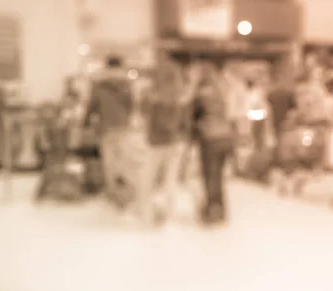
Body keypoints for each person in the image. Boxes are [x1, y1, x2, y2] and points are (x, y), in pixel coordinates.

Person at [140, 58, 190, 224]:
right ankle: (170, 214)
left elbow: (145, 116)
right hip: (175, 143)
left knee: (148, 177)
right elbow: (185, 124)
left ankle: (146, 214)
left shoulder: (154, 97)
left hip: (156, 143)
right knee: (171, 180)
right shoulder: (181, 97)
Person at [85, 56, 133, 207]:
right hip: (123, 126)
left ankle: (112, 193)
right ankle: (123, 194)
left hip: (106, 126)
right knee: (122, 159)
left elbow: (92, 106)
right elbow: (131, 105)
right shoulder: (126, 84)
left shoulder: (99, 85)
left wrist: (85, 121)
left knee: (109, 161)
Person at [191, 61, 235, 224]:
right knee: (219, 176)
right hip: (226, 137)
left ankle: (211, 211)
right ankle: (221, 210)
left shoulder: (201, 94)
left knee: (210, 175)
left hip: (210, 138)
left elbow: (194, 116)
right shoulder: (222, 92)